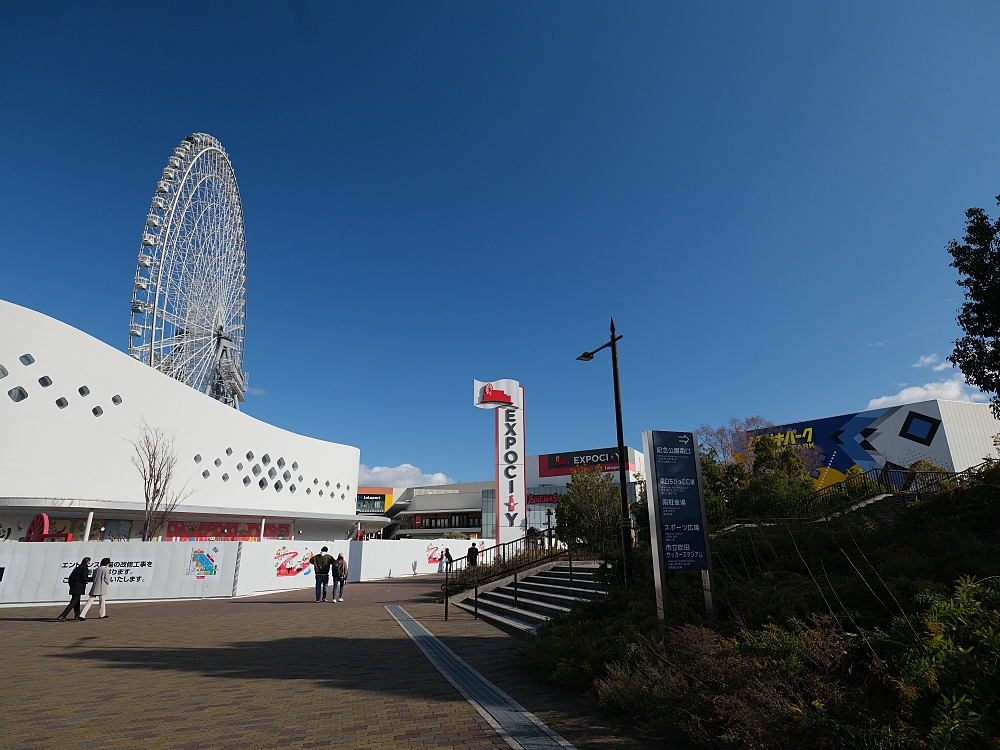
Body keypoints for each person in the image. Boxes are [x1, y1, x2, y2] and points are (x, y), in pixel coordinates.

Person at [56, 557, 92, 621]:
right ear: (88, 562)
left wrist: (71, 585)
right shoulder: (85, 569)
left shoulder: (76, 569)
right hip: (79, 587)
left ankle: (77, 615)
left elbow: (70, 578)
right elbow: (84, 578)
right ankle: (62, 615)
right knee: (73, 602)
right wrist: (92, 579)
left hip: (73, 587)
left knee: (76, 602)